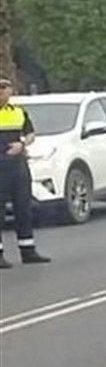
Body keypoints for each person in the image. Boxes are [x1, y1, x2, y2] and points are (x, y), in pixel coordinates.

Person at [0, 77, 48, 266]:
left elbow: (30, 133)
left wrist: (22, 144)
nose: (1, 91)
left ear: (11, 90)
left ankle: (28, 251)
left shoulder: (18, 112)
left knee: (23, 208)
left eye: (4, 87)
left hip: (17, 165)